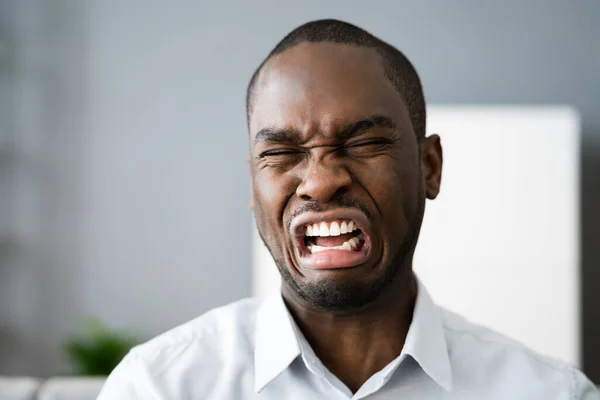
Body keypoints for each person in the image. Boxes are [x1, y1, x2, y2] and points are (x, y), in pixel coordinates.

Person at [98, 19, 599, 399]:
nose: (320, 181)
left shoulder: (548, 392)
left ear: (429, 167)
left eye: (364, 143)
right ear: (253, 185)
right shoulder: (159, 387)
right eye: (280, 153)